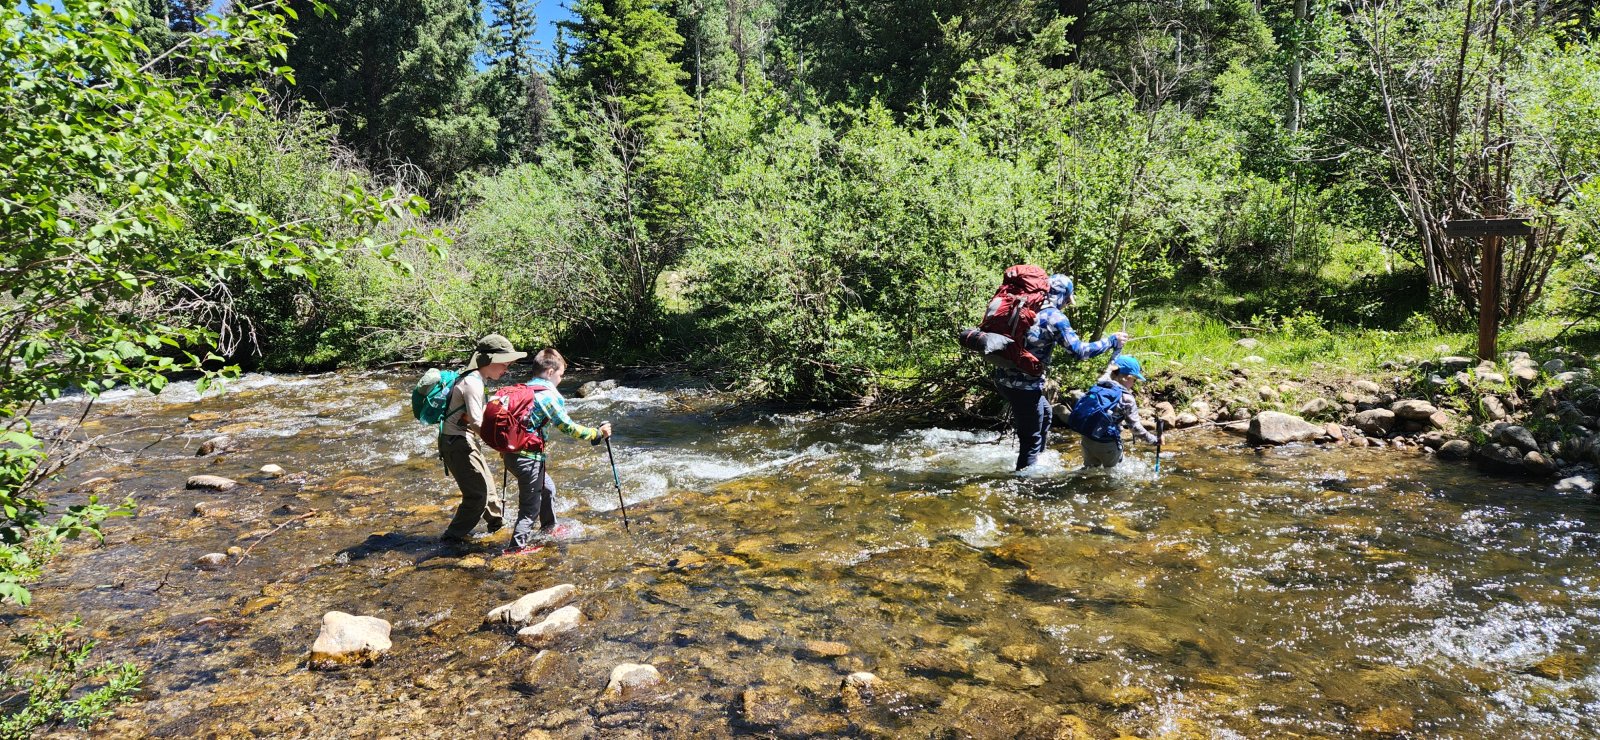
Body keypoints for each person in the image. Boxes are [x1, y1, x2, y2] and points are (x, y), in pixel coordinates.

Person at [994, 274, 1126, 470]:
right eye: (1066, 300)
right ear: (1063, 296)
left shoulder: (1025, 306)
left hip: (1003, 379)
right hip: (1024, 388)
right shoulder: (1054, 317)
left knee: (1046, 413)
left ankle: (1039, 462)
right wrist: (1111, 341)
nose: (1065, 305)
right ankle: (1024, 487)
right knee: (1030, 440)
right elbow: (1080, 352)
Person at [500, 348, 613, 556]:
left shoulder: (523, 390)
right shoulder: (548, 395)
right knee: (529, 508)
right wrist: (597, 433)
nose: (560, 380)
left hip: (512, 455)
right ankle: (515, 549)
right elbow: (568, 427)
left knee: (548, 489)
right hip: (528, 459)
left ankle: (549, 527)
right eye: (561, 375)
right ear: (550, 371)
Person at [438, 333, 524, 546]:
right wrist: (501, 445)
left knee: (488, 487)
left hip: (460, 439)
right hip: (457, 442)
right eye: (505, 364)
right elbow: (477, 422)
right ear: (490, 360)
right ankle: (451, 539)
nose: (507, 370)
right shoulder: (473, 383)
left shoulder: (475, 378)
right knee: (477, 496)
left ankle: (497, 526)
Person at [1073, 355, 1159, 468]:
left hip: (1087, 439)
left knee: (1089, 471)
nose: (1133, 384)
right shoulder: (1127, 398)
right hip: (1108, 444)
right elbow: (1135, 429)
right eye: (1134, 380)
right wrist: (1155, 440)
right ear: (1127, 378)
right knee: (1112, 475)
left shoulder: (1099, 385)